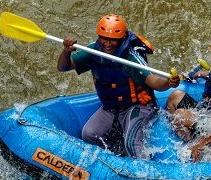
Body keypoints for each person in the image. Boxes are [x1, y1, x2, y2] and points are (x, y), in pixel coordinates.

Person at [58, 14, 180, 157]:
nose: (108, 44)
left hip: (139, 106)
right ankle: (117, 158)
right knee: (89, 134)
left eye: (113, 40)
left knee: (132, 143)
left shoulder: (131, 57)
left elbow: (154, 82)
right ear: (99, 37)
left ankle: (142, 172)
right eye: (104, 38)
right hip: (111, 107)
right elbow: (63, 67)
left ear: (121, 39)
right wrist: (66, 51)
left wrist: (168, 82)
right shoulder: (93, 51)